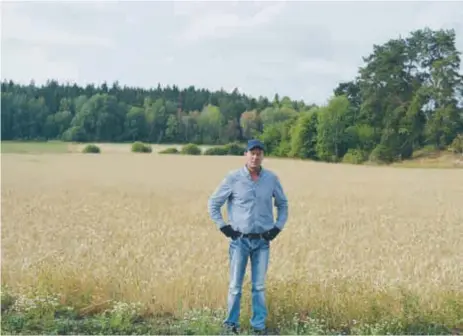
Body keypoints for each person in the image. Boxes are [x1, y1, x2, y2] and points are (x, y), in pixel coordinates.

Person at [208, 139, 289, 335]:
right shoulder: (233, 178)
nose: (255, 156)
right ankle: (231, 325)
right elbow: (213, 203)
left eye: (259, 153)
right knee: (235, 285)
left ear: (263, 156)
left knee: (259, 286)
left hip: (262, 241)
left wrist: (277, 228)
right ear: (245, 154)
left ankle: (258, 327)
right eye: (252, 153)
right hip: (239, 241)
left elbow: (283, 204)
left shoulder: (271, 179)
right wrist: (224, 227)